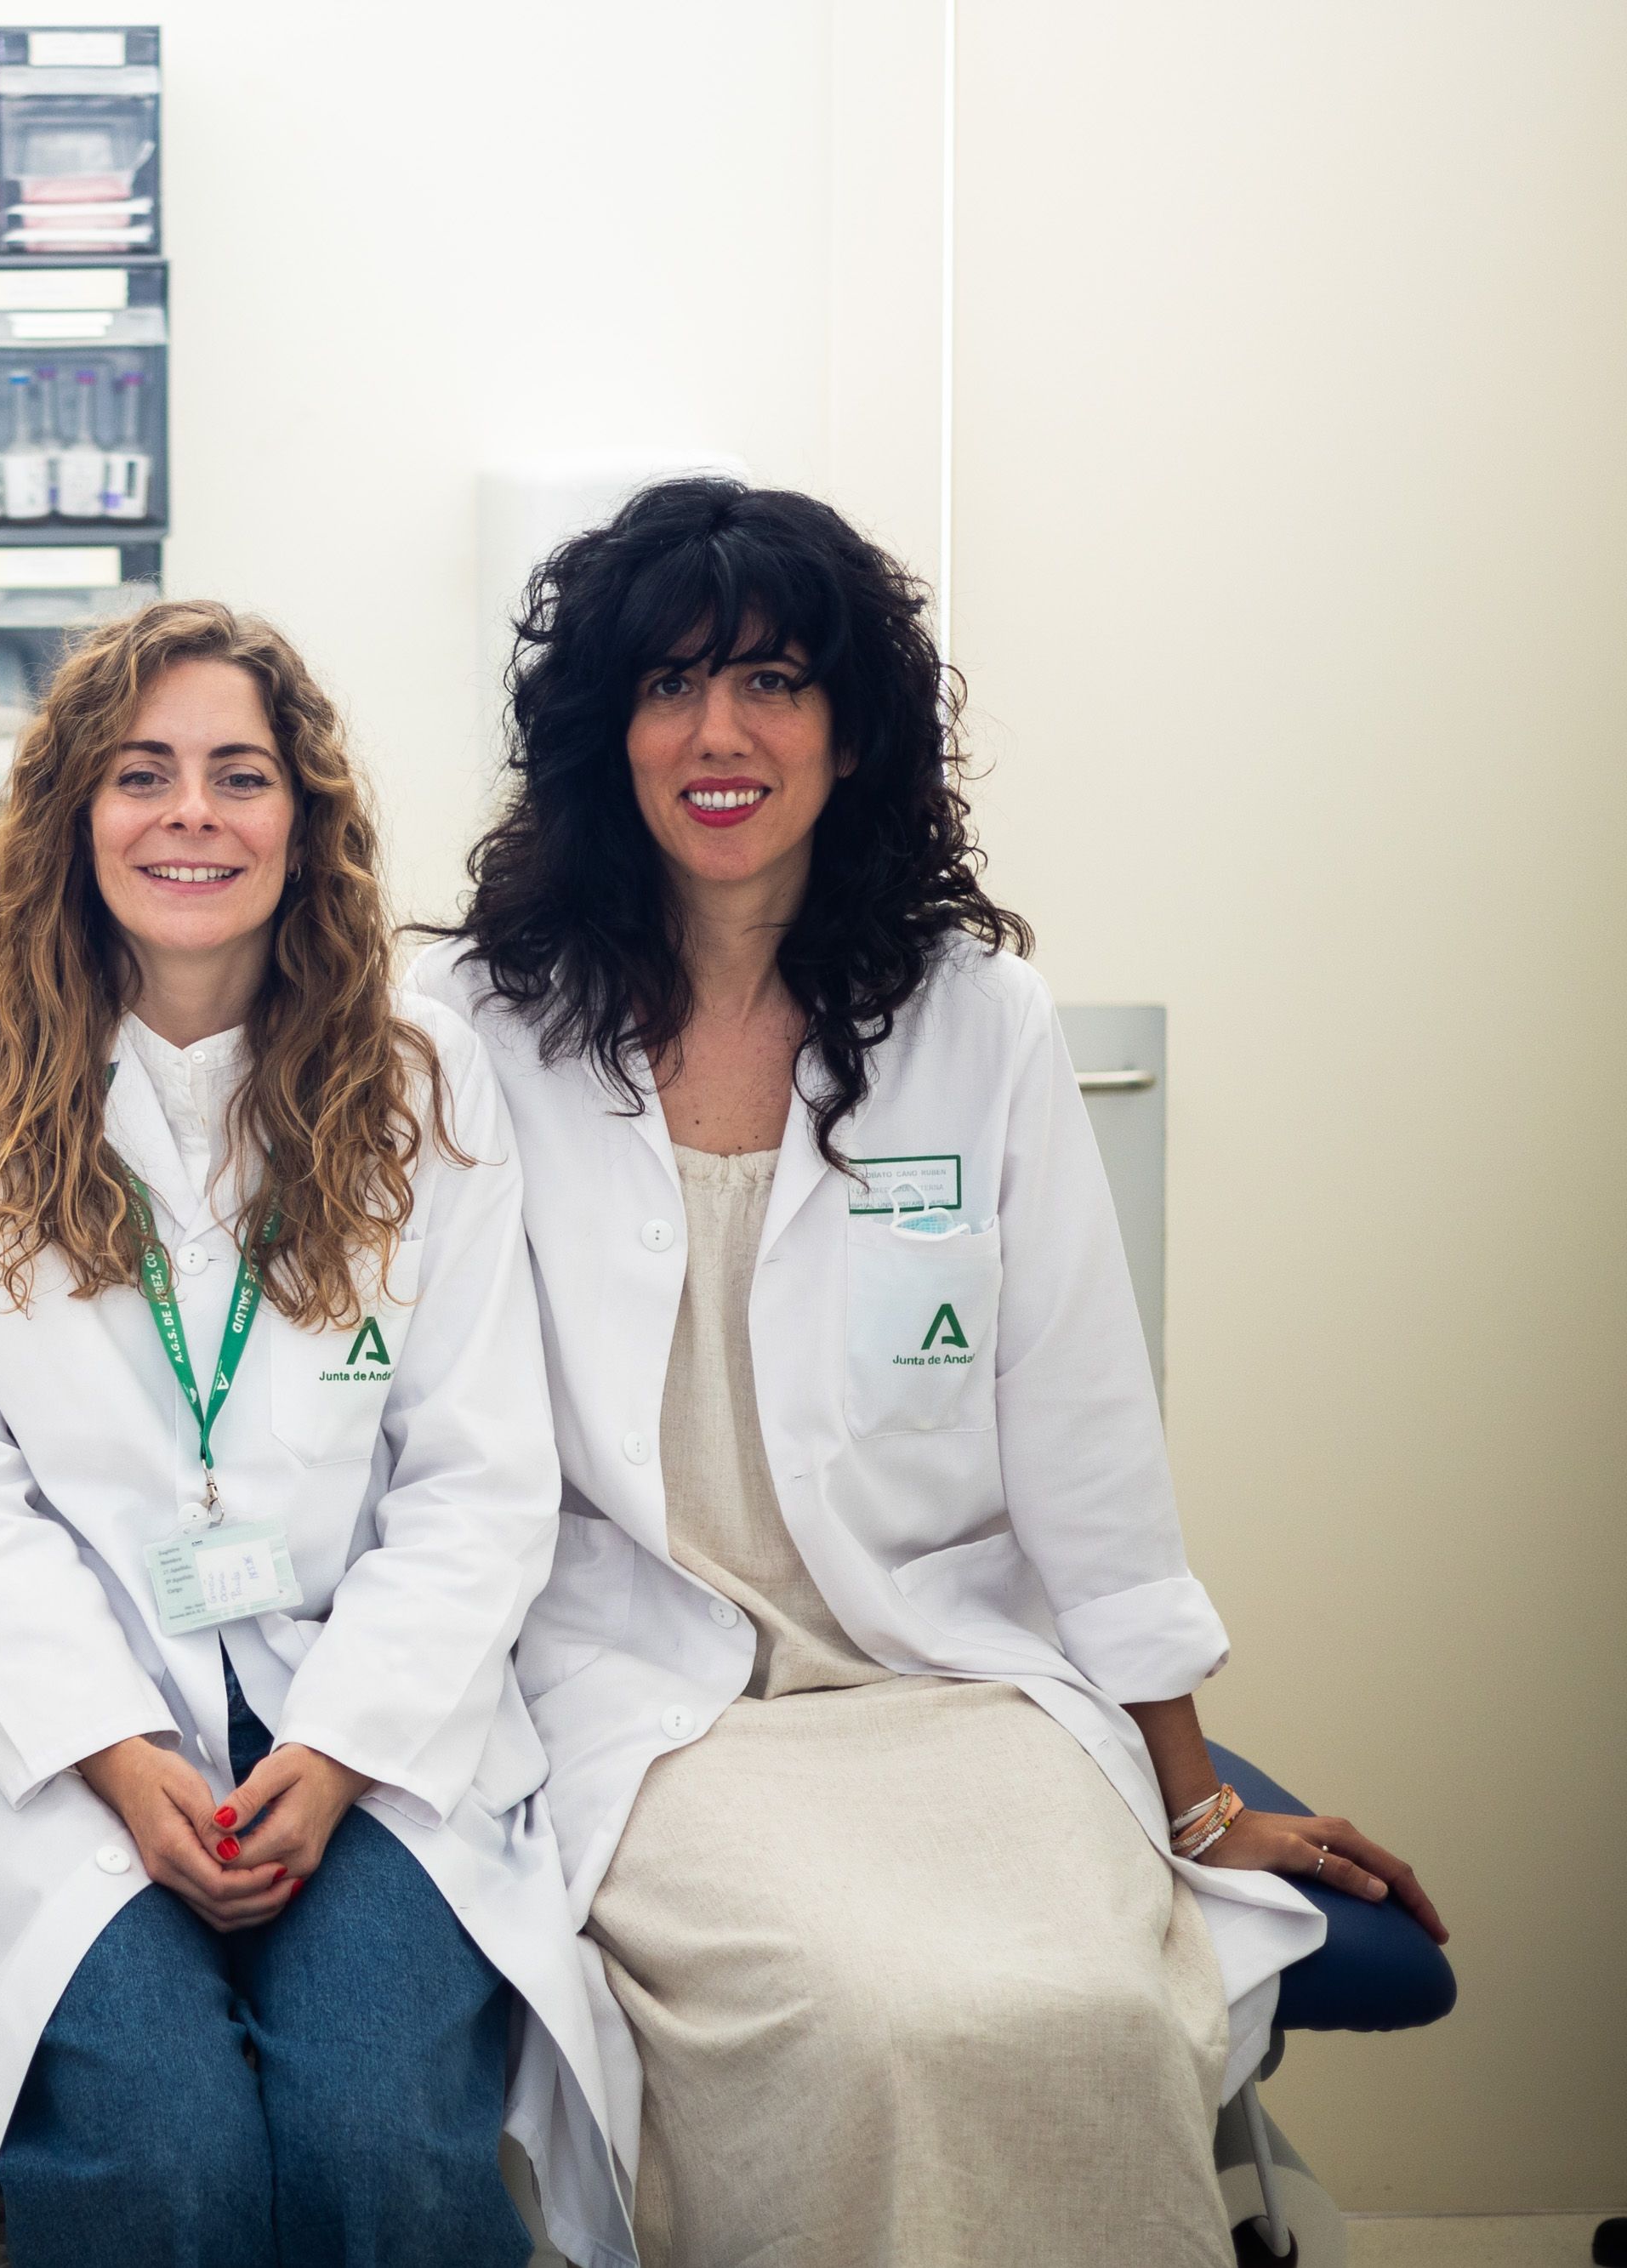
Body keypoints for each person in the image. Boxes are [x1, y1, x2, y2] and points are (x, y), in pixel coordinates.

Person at [412, 478, 1448, 2265]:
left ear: (852, 728)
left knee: (1089, 2007)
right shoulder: (474, 1029)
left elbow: (1083, 1447)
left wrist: (1191, 1792)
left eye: (771, 680)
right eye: (667, 686)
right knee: (858, 2017)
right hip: (651, 1703)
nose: (717, 732)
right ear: (603, 734)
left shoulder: (974, 1020)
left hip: (943, 1678)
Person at [0, 600, 625, 2268]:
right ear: (74, 816)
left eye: (238, 774)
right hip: (61, 1743)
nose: (189, 814)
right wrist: (107, 1744)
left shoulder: (420, 1077)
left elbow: (476, 1475)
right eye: (140, 773)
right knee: (162, 2160)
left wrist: (345, 1744)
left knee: (373, 2143)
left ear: (301, 820)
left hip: (367, 1736)